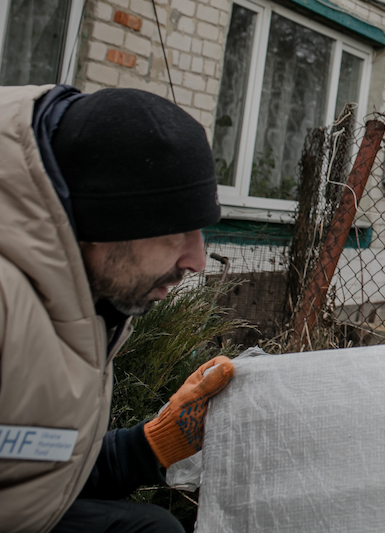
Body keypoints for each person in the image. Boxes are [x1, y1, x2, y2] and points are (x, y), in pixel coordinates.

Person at [0, 85, 234, 533]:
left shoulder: (84, 293)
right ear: (106, 219)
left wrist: (155, 444)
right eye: (176, 230)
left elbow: (29, 470)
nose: (197, 260)